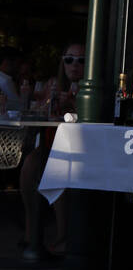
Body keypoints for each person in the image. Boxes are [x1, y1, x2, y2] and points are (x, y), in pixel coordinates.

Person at [19, 41, 86, 254]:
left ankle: (62, 236)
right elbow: (37, 111)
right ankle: (31, 231)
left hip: (79, 151)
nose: (74, 65)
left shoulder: (91, 89)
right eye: (69, 59)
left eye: (81, 60)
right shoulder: (52, 85)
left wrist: (76, 106)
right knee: (30, 164)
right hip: (51, 144)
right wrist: (45, 102)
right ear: (62, 63)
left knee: (54, 166)